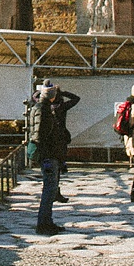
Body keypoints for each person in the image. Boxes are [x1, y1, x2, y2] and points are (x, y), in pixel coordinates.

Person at [26, 80, 80, 235]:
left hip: (49, 152)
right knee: (49, 191)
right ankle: (43, 224)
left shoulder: (38, 107)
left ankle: (47, 222)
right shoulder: (44, 110)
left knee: (49, 190)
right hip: (49, 153)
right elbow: (41, 135)